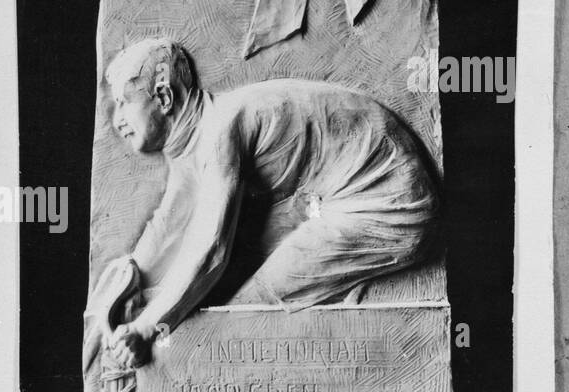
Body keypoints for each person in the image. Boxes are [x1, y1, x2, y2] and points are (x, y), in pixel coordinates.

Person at [96, 37, 440, 369]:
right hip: (342, 192)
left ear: (164, 96)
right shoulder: (194, 137)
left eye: (125, 102)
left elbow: (211, 249)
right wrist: (131, 270)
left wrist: (146, 328)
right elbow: (171, 217)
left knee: (253, 301)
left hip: (390, 198)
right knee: (216, 284)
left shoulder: (218, 132)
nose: (117, 120)